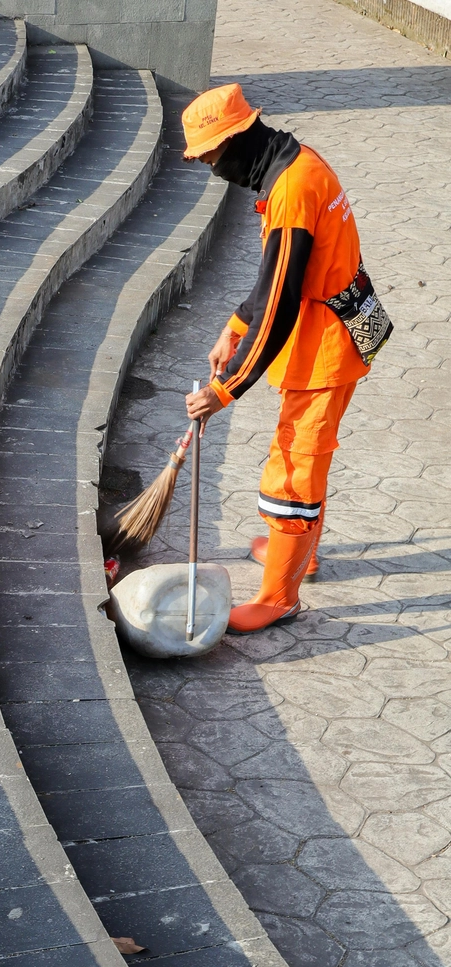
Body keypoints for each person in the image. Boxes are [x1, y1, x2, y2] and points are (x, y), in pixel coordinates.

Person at [181, 83, 391, 632]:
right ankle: (300, 553)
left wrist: (225, 390)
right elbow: (274, 278)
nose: (211, 169)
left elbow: (280, 304)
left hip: (326, 343)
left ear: (236, 142)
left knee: (295, 467)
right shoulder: (296, 160)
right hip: (341, 322)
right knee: (306, 455)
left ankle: (279, 597)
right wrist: (235, 324)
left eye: (211, 157)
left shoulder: (292, 191)